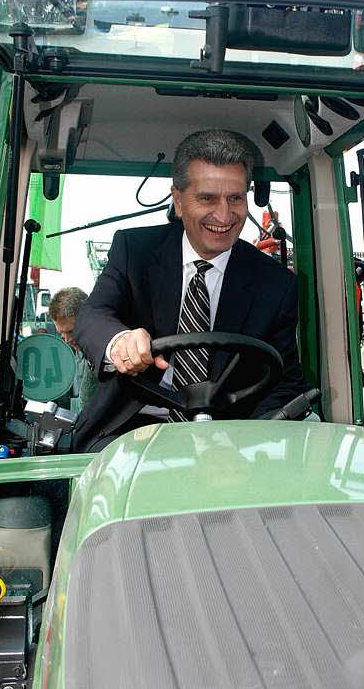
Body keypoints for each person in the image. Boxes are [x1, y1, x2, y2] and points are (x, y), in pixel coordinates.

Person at [72, 129, 306, 453]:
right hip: (129, 430)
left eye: (235, 198)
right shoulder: (134, 251)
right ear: (178, 201)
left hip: (227, 442)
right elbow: (93, 316)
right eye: (207, 198)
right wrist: (121, 342)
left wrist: (245, 446)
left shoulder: (277, 284)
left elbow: (286, 384)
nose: (224, 216)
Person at [48, 287, 97, 409]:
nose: (67, 339)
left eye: (71, 331)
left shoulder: (103, 352)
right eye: (62, 333)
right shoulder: (74, 352)